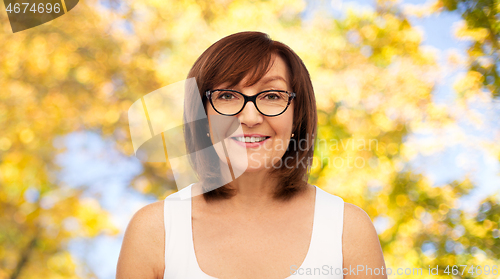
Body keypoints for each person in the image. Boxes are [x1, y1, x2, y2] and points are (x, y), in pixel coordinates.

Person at [117, 31, 387, 279]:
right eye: (226, 95)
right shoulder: (155, 232)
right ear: (202, 117)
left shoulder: (348, 230)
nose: (249, 117)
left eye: (271, 96)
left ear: (298, 115)